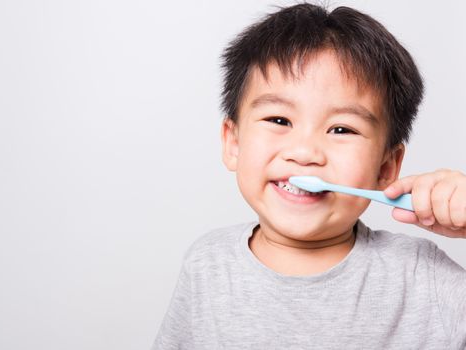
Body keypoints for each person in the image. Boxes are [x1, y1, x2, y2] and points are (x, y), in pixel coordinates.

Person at [152, 3, 466, 349]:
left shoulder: (422, 276)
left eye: (342, 129)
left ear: (385, 168)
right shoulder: (207, 265)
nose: (304, 153)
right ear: (233, 143)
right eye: (279, 120)